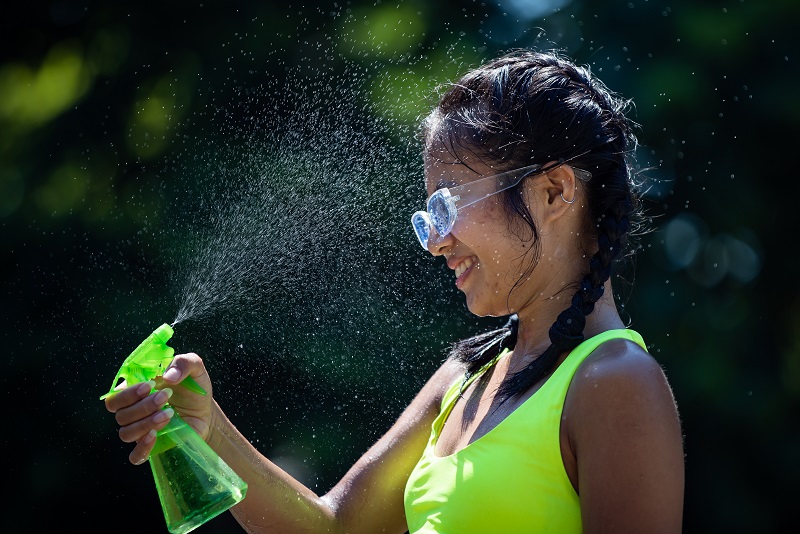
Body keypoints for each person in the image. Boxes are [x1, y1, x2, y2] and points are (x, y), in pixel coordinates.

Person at [105, 48, 685, 533]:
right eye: (427, 216)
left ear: (554, 192)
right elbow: (334, 530)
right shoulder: (466, 378)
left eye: (447, 205)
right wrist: (209, 428)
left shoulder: (616, 382)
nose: (436, 242)